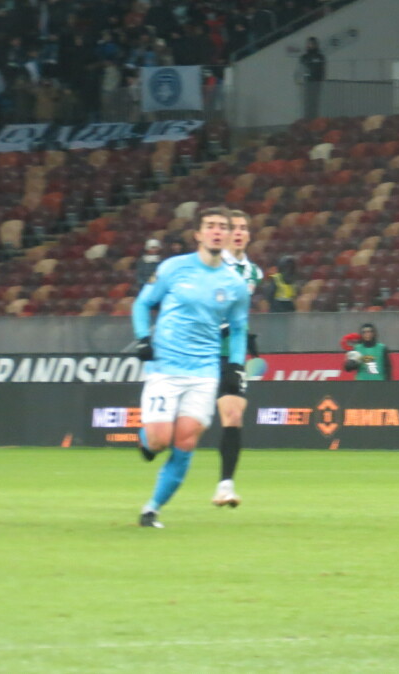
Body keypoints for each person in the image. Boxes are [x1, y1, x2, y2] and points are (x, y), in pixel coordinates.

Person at [131, 206, 250, 528]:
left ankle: (151, 509)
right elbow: (143, 303)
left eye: (222, 226)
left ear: (228, 235)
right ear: (198, 234)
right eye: (210, 225)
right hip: (165, 368)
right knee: (159, 440)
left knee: (185, 441)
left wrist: (235, 365)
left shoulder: (235, 284)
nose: (217, 231)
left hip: (204, 373)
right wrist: (143, 339)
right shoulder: (173, 268)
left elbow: (239, 329)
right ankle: (145, 441)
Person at [212, 210, 264, 508]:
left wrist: (244, 334)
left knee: (233, 415)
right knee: (183, 426)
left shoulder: (254, 272)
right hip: (200, 350)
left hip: (230, 353)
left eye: (244, 228)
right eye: (234, 228)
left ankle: (225, 486)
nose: (240, 233)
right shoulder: (212, 265)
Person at [299, 36, 325, 119]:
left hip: (317, 82)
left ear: (316, 45)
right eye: (309, 44)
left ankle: (314, 118)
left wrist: (321, 80)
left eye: (313, 44)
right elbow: (301, 69)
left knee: (315, 101)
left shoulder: (320, 57)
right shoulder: (304, 57)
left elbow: (322, 70)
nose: (311, 45)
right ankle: (307, 118)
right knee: (307, 101)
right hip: (307, 82)